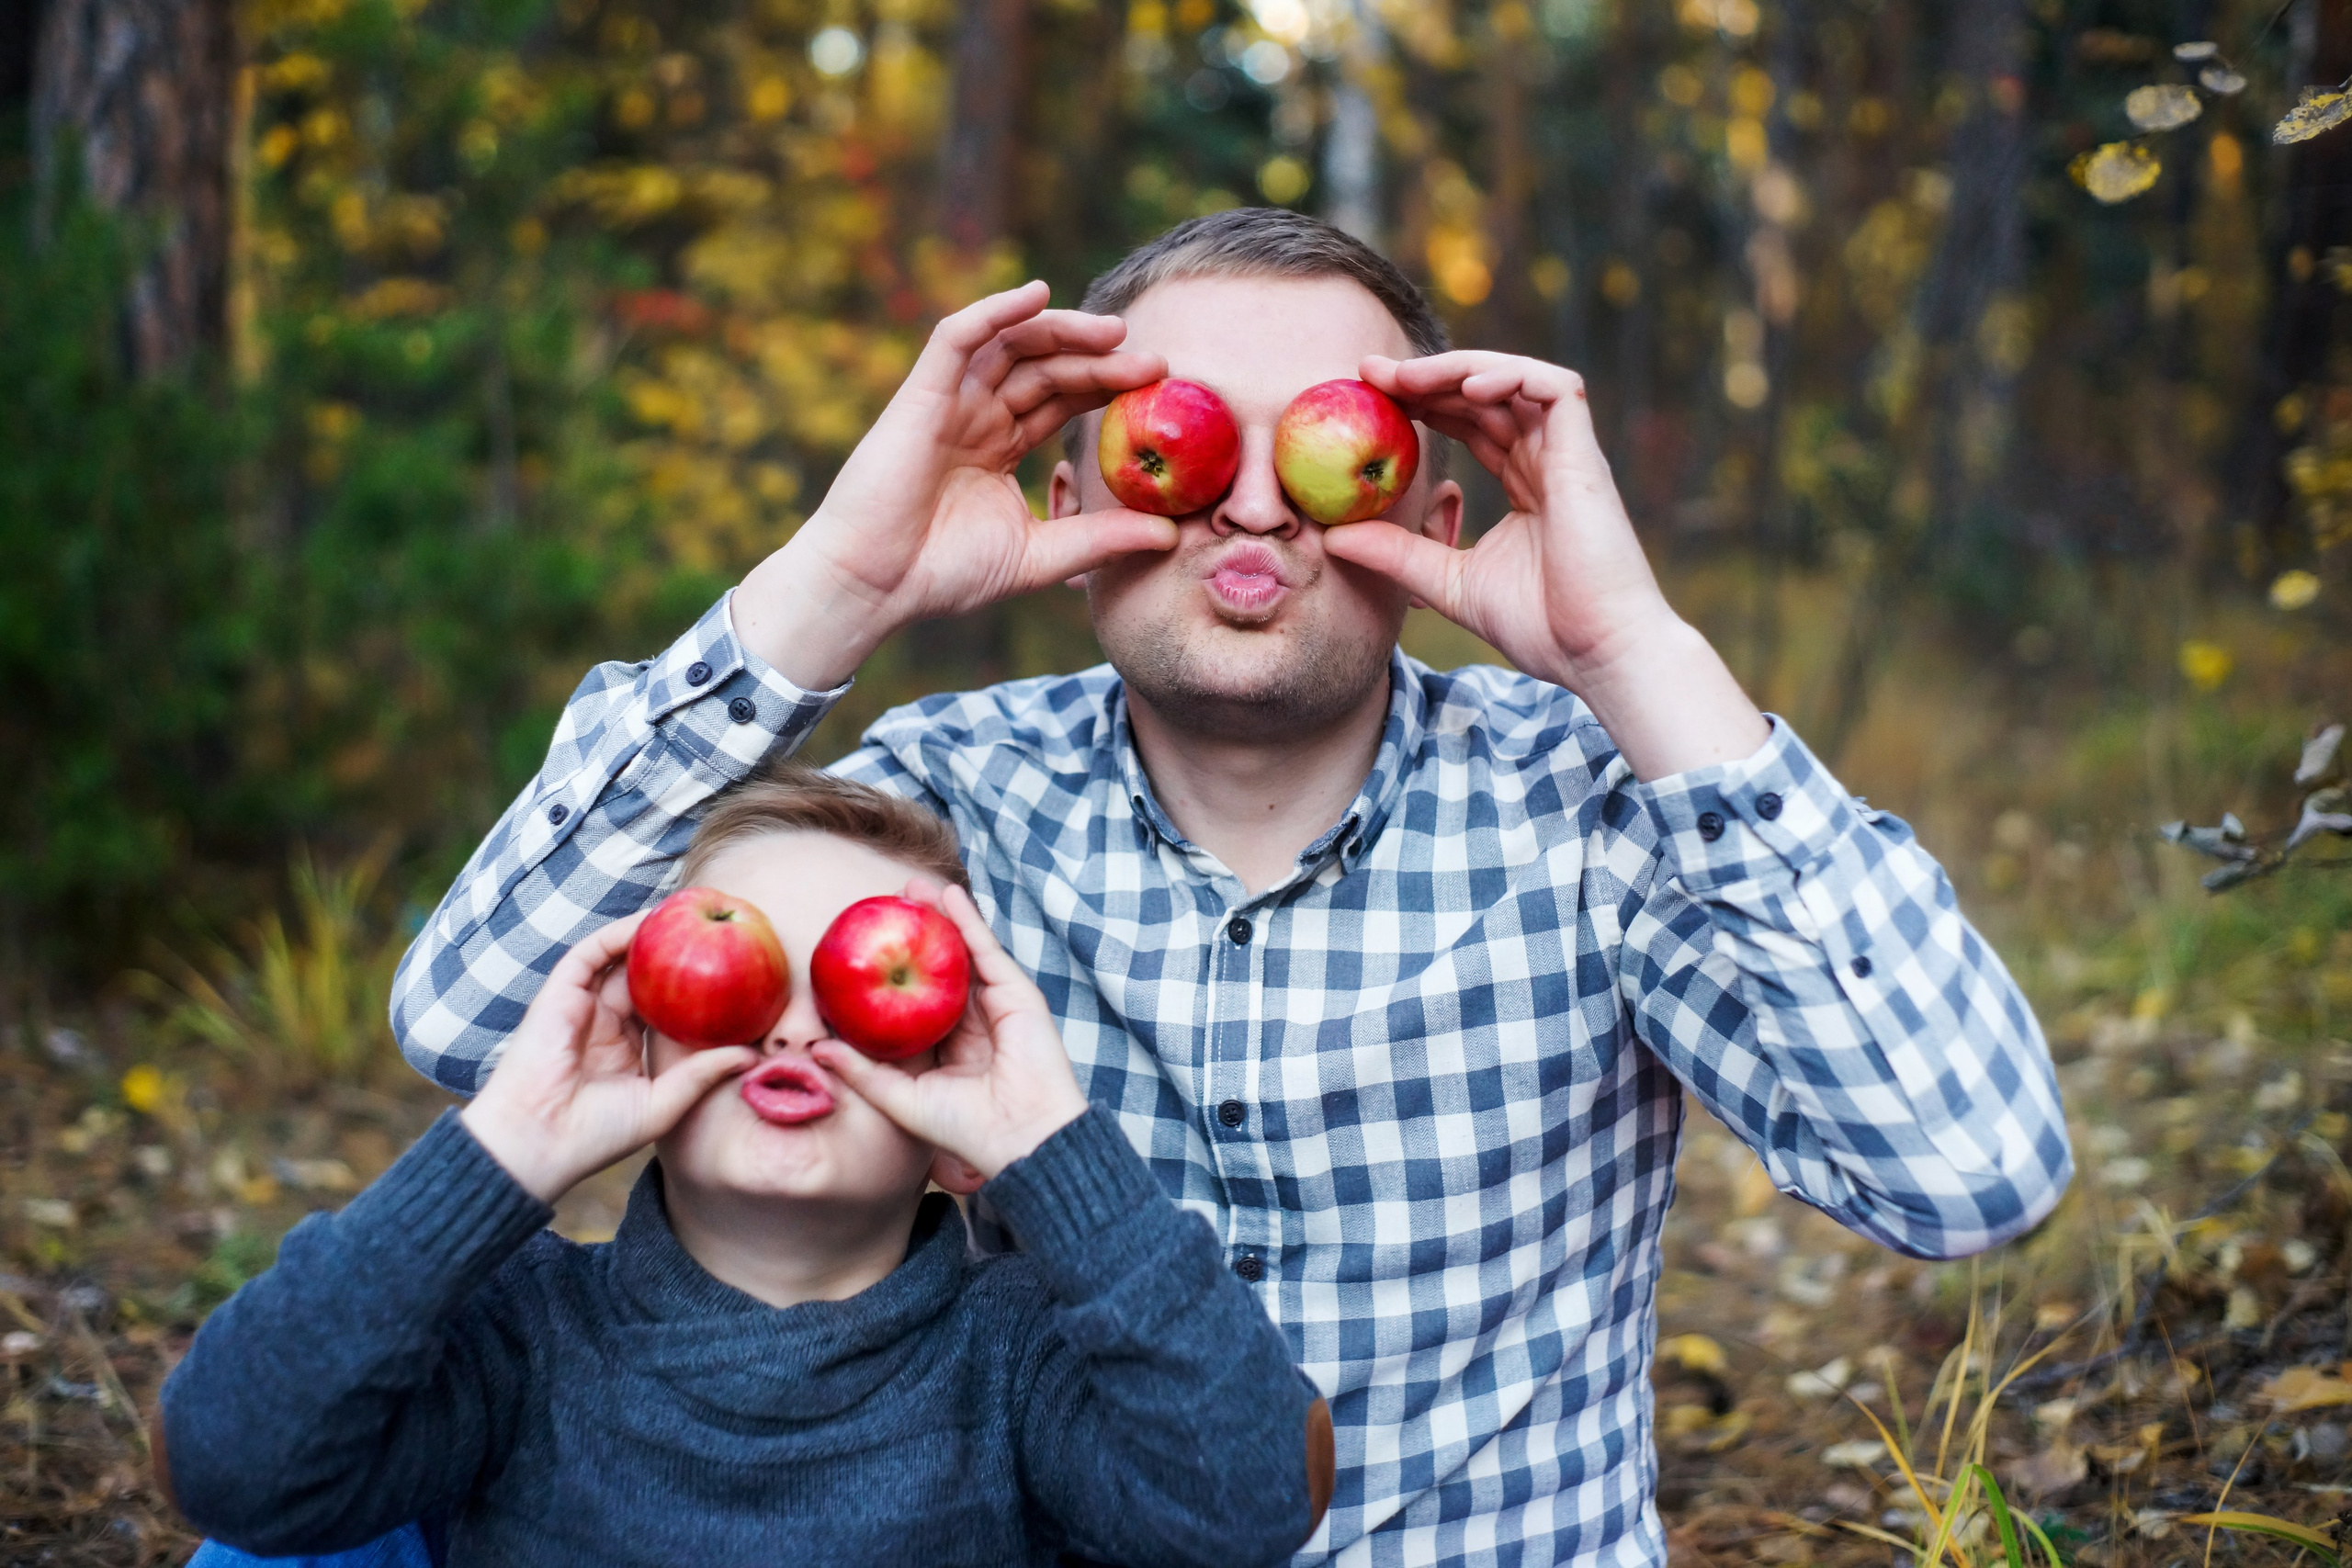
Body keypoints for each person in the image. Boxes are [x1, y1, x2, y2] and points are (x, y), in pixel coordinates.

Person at [389, 208, 2073, 1564]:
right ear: (1069, 501)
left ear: (1426, 501)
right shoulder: (941, 811)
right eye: (1179, 445)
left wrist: (1636, 658)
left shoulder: (1599, 815)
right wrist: (840, 583)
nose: (1257, 496)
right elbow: (471, 1022)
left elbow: (1972, 1171)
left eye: (1323, 442)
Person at [161, 766, 1334, 1567]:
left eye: (865, 997)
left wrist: (1050, 1149)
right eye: (743, 976)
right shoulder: (523, 1333)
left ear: (959, 1127)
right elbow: (235, 1465)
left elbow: (1245, 1504)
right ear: (642, 1031)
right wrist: (507, 1146)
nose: (794, 1031)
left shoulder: (1018, 1361)